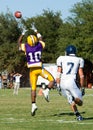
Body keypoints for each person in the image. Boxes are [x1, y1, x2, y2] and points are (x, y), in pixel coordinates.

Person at [18, 27, 55, 116]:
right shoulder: (39, 45)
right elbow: (41, 38)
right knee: (52, 80)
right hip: (39, 68)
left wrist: (22, 34)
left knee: (33, 89)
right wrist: (36, 31)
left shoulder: (26, 47)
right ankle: (46, 90)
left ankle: (33, 104)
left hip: (32, 70)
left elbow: (18, 43)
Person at [56, 45, 85, 121]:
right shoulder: (79, 60)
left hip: (62, 82)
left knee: (71, 101)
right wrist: (82, 87)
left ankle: (78, 115)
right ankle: (74, 98)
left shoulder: (61, 58)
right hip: (71, 82)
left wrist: (58, 84)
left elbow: (58, 73)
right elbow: (81, 76)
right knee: (80, 102)